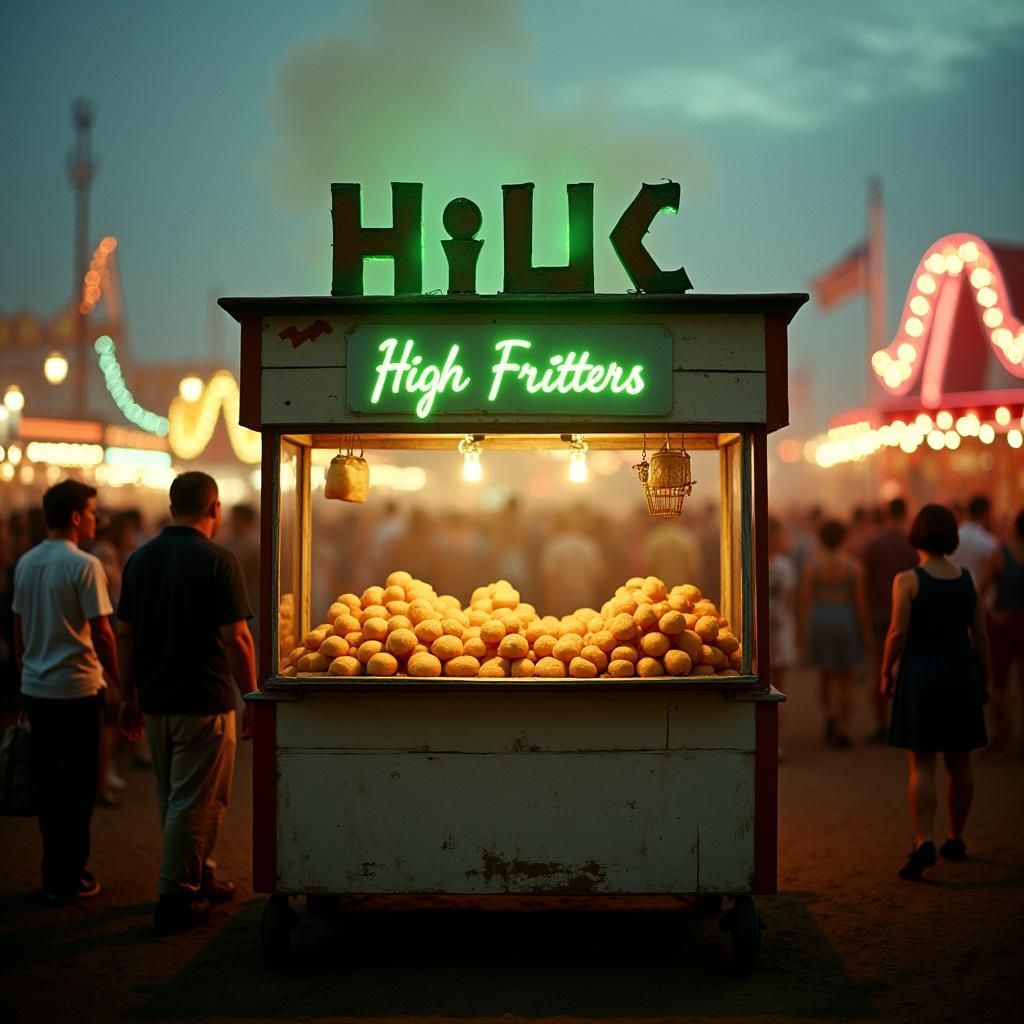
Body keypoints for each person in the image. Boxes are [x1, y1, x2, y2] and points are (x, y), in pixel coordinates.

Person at [117, 471, 257, 935]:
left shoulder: (140, 560)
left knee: (178, 798)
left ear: (172, 506)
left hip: (156, 700)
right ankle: (175, 896)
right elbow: (236, 639)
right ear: (214, 508)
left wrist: (128, 695)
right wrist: (251, 695)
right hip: (204, 699)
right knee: (197, 800)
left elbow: (126, 636)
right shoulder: (219, 561)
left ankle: (200, 875)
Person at [11, 480, 120, 904]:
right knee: (77, 788)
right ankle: (70, 876)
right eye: (92, 512)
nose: (95, 519)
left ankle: (51, 871)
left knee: (50, 785)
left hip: (37, 690)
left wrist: (25, 671)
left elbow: (18, 625)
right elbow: (103, 632)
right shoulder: (85, 565)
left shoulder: (26, 562)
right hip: (76, 689)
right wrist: (119, 682)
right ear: (76, 517)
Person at [882, 504, 991, 881]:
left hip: (921, 671)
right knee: (960, 762)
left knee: (922, 763)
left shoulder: (908, 581)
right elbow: (980, 634)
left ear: (918, 535)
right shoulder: (968, 578)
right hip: (961, 668)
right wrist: (986, 679)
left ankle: (924, 838)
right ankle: (955, 837)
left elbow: (897, 634)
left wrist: (885, 672)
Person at [800, 518, 872, 749]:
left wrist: (803, 629)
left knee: (825, 675)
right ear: (843, 538)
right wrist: (866, 631)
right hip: (844, 617)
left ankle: (829, 715)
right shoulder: (854, 566)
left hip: (821, 618)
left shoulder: (813, 566)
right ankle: (843, 728)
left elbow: (806, 600)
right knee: (846, 679)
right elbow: (860, 602)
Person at [862, 498, 918, 742]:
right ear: (906, 513)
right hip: (909, 611)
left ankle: (881, 725)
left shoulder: (873, 544)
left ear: (885, 514)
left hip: (878, 612)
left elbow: (864, 583)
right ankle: (907, 723)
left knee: (879, 670)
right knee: (909, 668)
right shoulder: (913, 544)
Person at [979, 509, 1024, 753]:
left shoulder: (1000, 555)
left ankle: (1000, 736)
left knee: (999, 683)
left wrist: (989, 613)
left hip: (1003, 622)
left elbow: (981, 589)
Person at [953, 495, 998, 590]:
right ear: (987, 513)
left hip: (953, 596)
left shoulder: (953, 536)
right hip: (980, 601)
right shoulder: (989, 542)